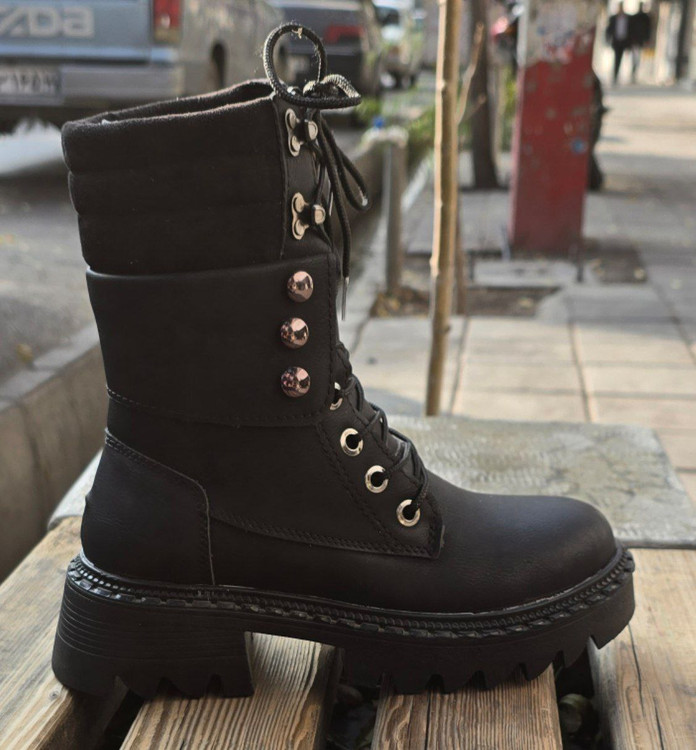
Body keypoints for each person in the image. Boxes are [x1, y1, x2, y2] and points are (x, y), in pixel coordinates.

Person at [606, 2, 632, 84]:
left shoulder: (627, 18)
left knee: (620, 58)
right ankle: (615, 74)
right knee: (616, 58)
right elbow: (609, 29)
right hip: (616, 41)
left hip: (623, 41)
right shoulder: (613, 18)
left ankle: (618, 73)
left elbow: (630, 30)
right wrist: (608, 39)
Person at [630, 2, 652, 82]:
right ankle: (634, 72)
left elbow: (648, 29)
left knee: (639, 57)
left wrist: (647, 40)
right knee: (635, 57)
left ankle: (637, 72)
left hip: (641, 41)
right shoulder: (635, 17)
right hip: (636, 41)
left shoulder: (646, 18)